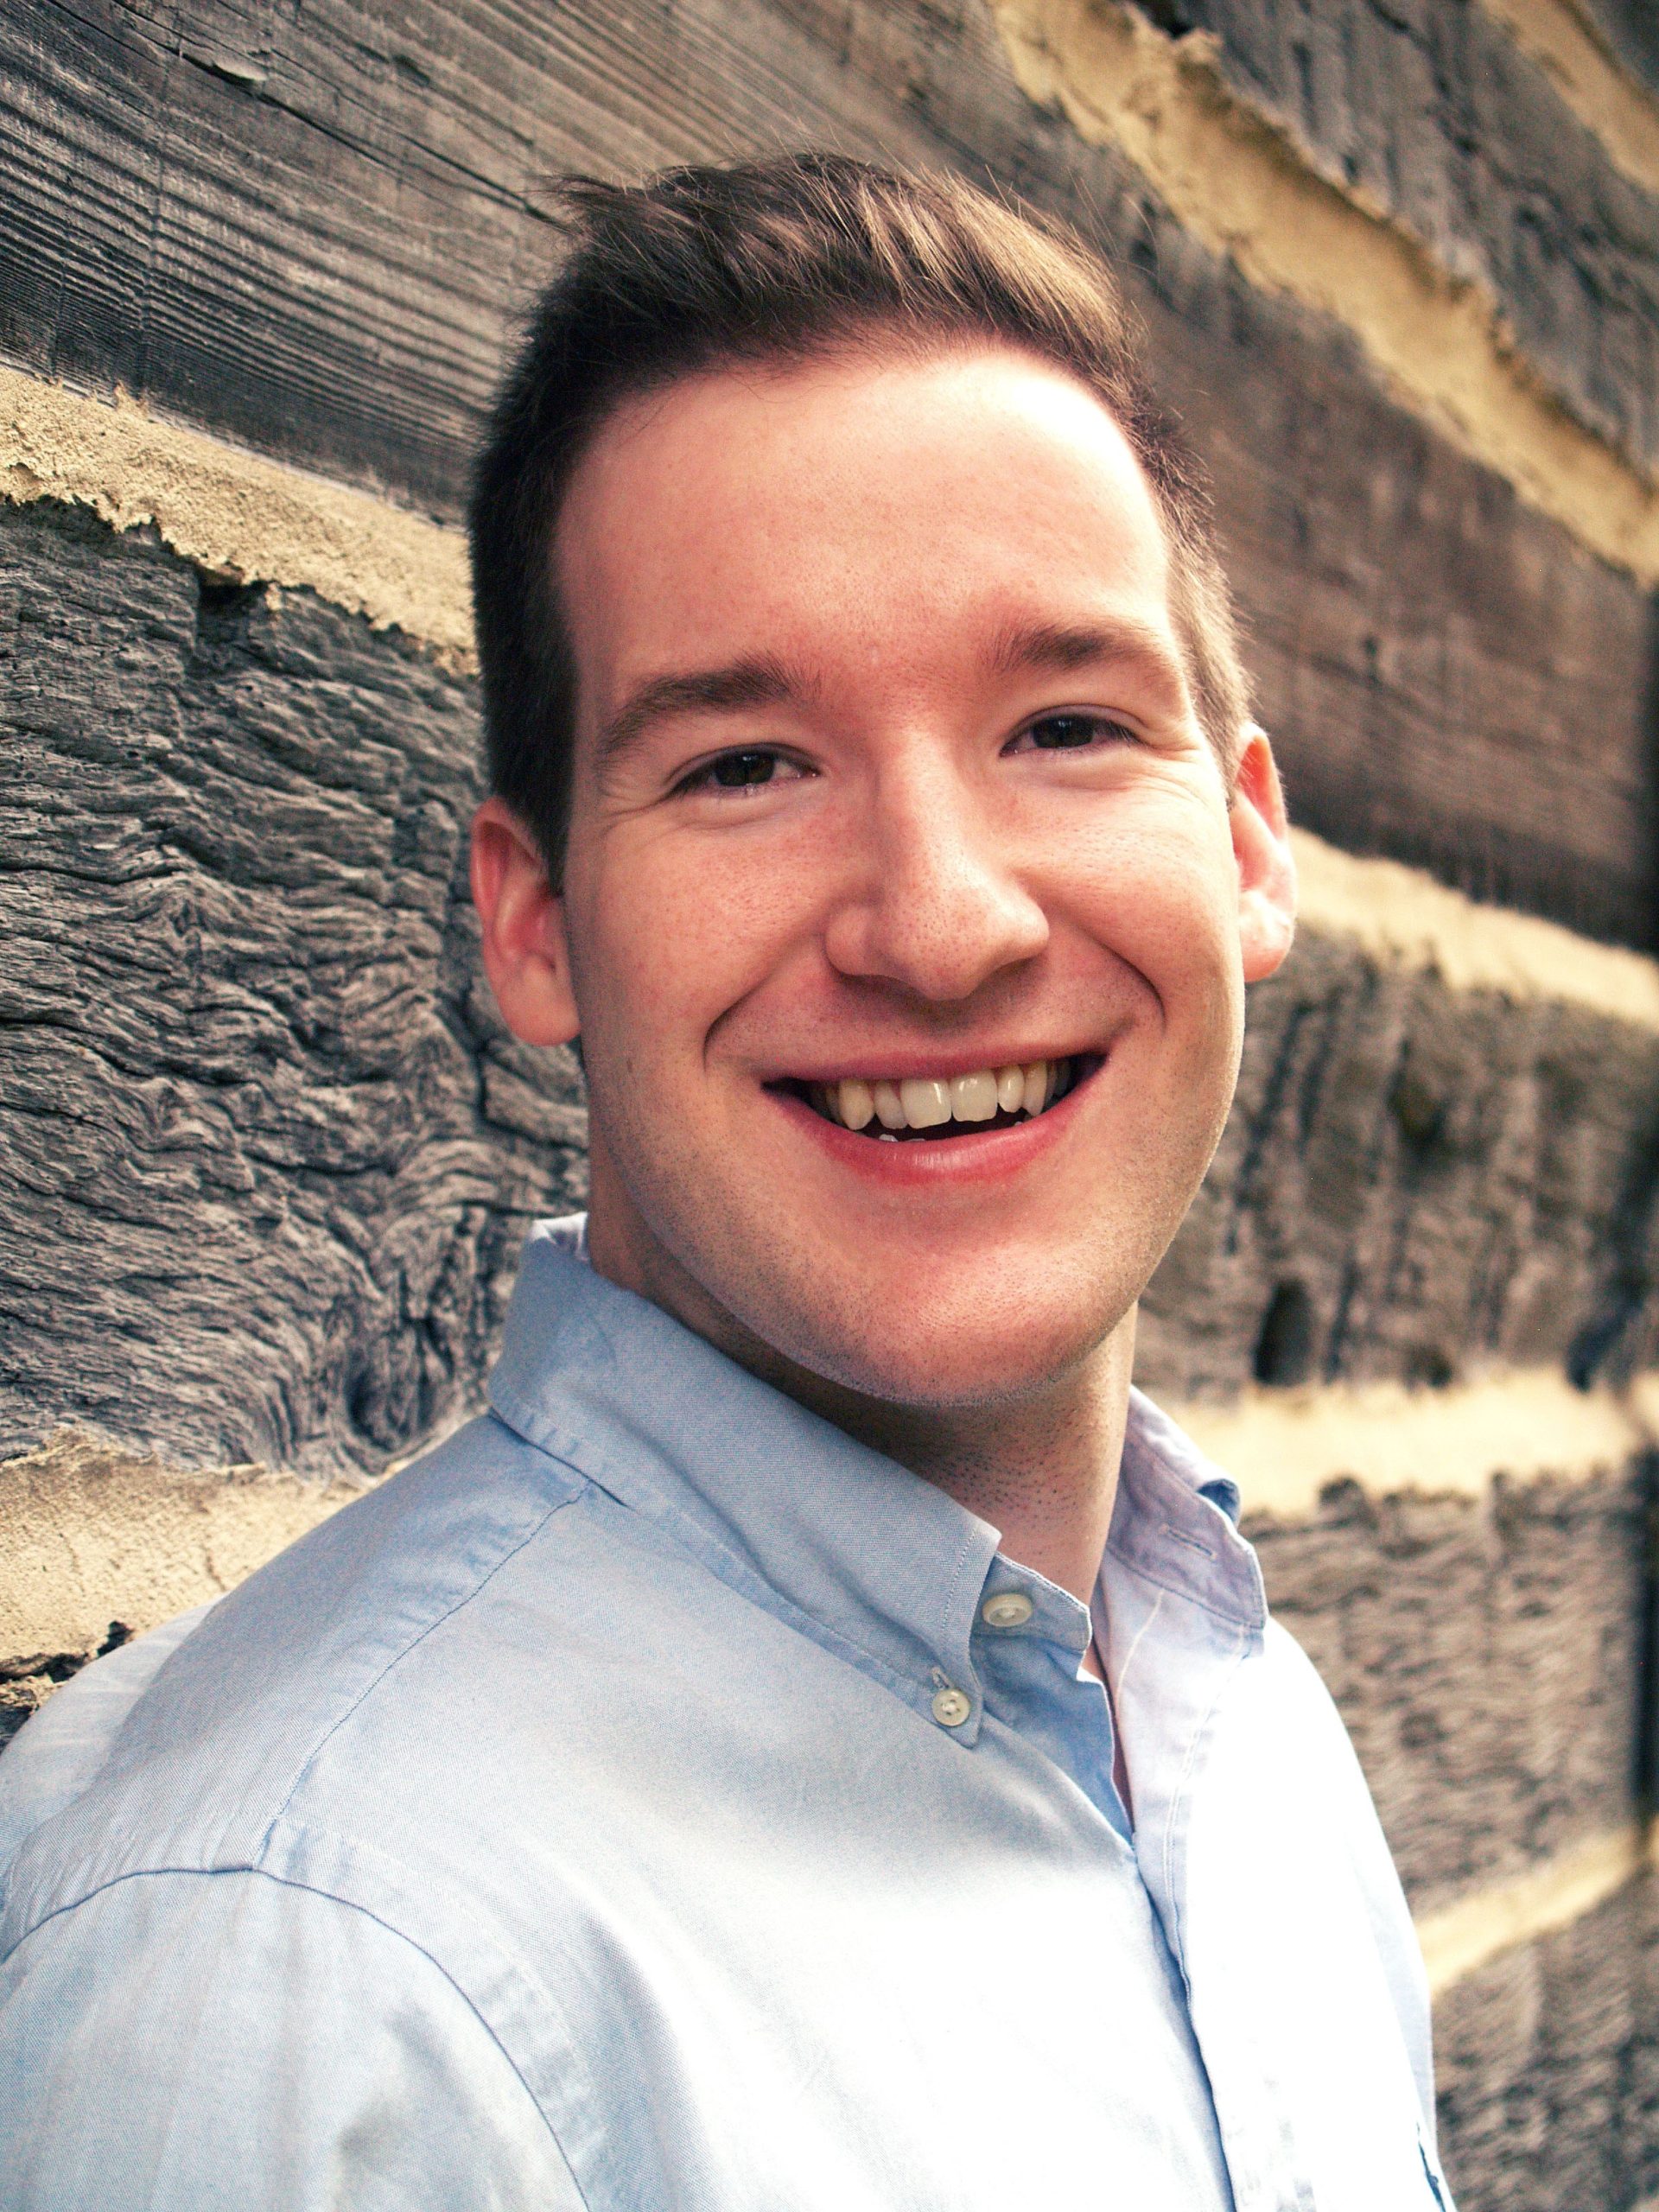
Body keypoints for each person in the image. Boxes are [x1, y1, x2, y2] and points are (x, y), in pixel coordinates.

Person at [0, 156, 1451, 2209]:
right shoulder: (302, 1977)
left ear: (1245, 847)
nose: (940, 923)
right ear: (534, 921)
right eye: (744, 764)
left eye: (1064, 724)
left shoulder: (1241, 1721)